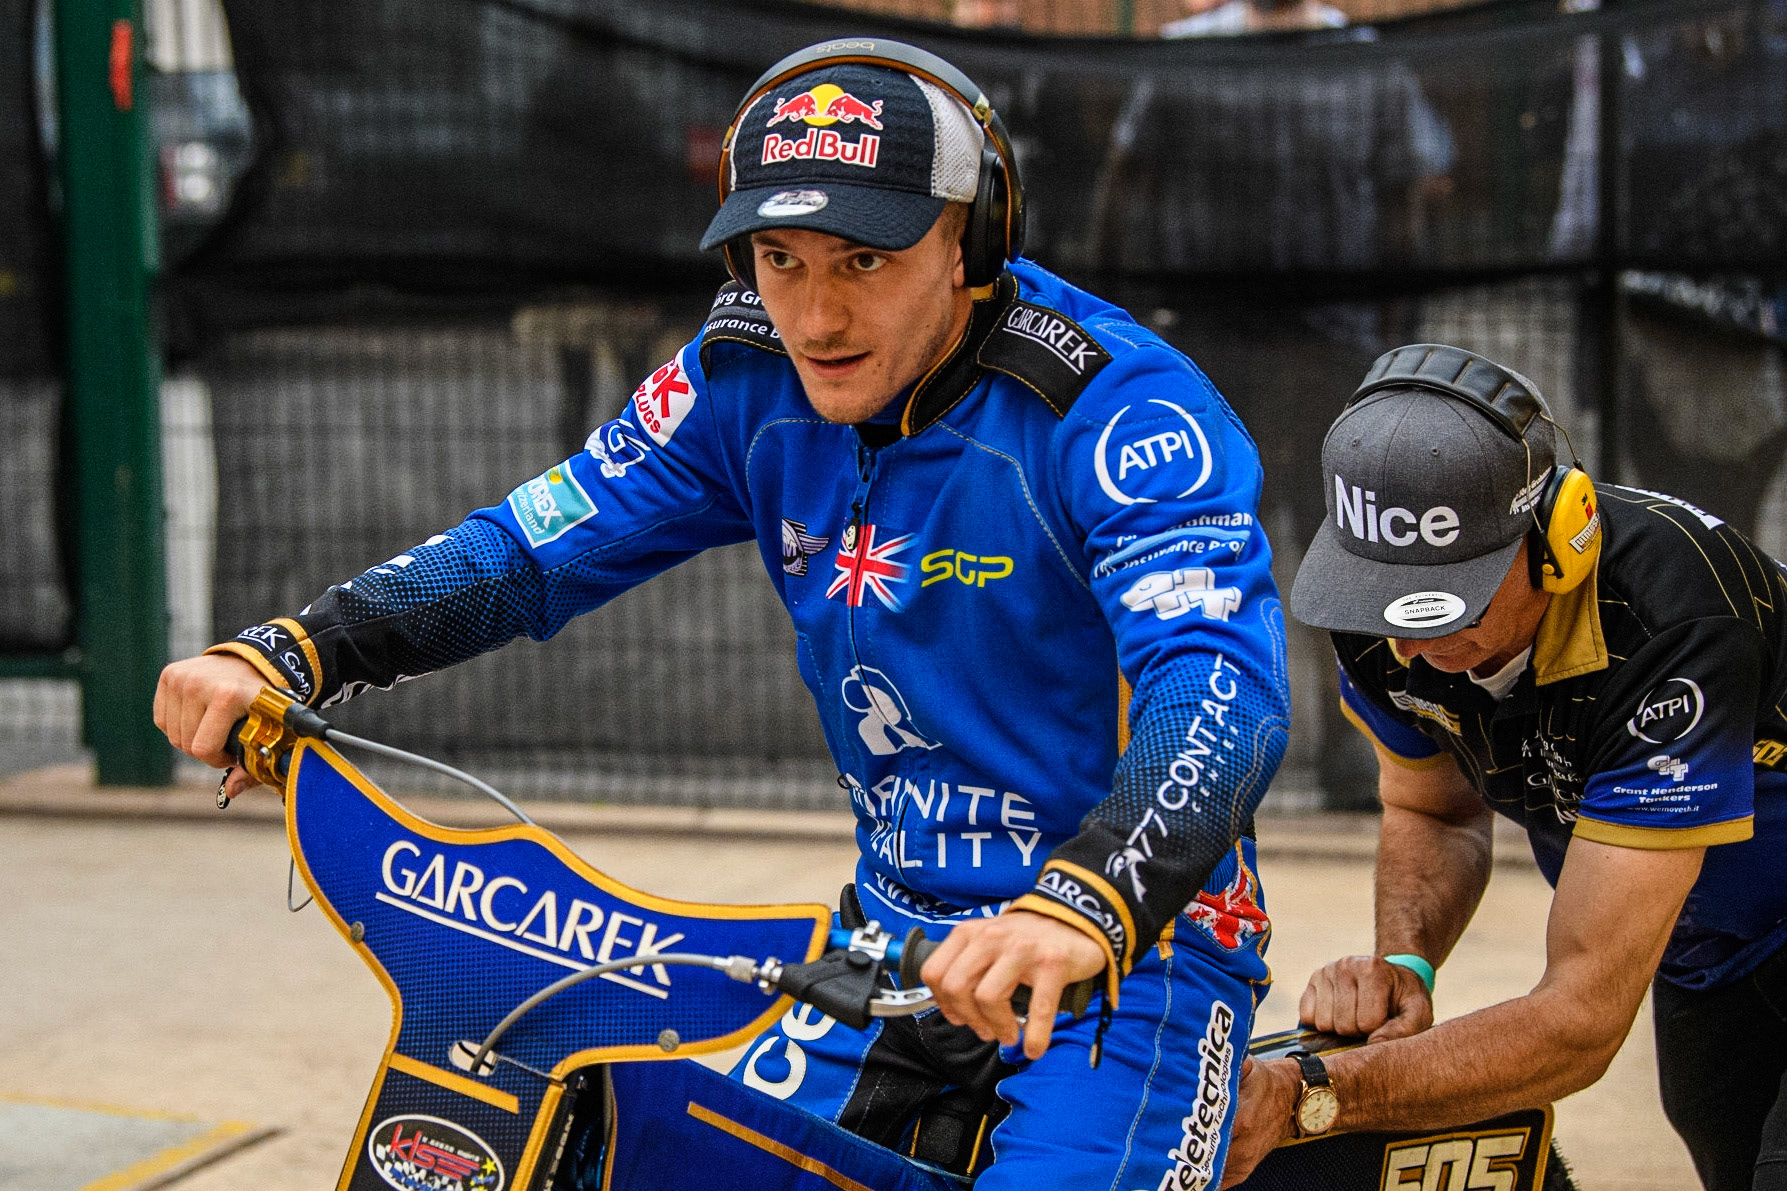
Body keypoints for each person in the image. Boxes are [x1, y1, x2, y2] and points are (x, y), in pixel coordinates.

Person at [152, 40, 1292, 1188]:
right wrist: (297, 648)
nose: (816, 314)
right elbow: (527, 552)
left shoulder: (1116, 405)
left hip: (1128, 948)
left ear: (969, 239)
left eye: (863, 258)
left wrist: (1085, 907)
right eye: (779, 259)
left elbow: (1218, 687)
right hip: (886, 937)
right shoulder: (739, 375)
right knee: (656, 1158)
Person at [1222, 343, 1787, 1191]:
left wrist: (1313, 1095)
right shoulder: (1378, 622)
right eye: (1380, 598)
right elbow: (1434, 812)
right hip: (1709, 951)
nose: (1405, 646)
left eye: (1442, 604)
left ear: (1560, 537)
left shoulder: (1674, 619)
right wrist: (1405, 965)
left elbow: (1578, 1021)